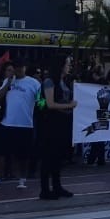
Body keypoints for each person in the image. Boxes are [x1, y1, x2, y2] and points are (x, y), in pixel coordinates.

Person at [0, 58, 41, 191]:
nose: (19, 69)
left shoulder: (34, 83)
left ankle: (22, 178)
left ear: (25, 68)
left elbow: (41, 101)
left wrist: (40, 108)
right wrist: (8, 83)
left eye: (21, 67)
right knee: (0, 152)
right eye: (16, 67)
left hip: (26, 124)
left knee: (23, 155)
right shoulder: (8, 81)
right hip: (7, 123)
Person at [37, 57, 78, 200]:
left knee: (57, 158)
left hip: (61, 124)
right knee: (48, 157)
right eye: (67, 64)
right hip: (50, 125)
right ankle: (45, 189)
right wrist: (70, 106)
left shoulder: (63, 82)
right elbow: (50, 104)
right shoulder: (49, 81)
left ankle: (57, 186)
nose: (69, 66)